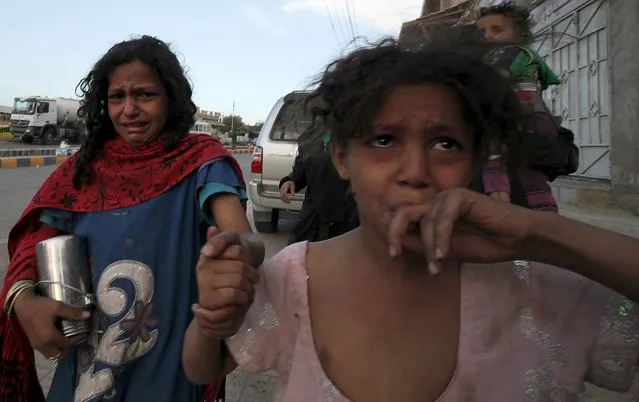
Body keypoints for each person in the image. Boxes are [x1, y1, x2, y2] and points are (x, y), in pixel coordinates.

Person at [182, 36, 639, 401]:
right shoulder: (295, 277)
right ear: (341, 158)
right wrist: (211, 316)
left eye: (445, 144)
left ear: (476, 158)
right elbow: (203, 367)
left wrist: (536, 235)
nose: (417, 173)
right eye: (384, 140)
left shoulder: (538, 287)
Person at [0, 36, 264, 402]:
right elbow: (33, 244)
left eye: (144, 95)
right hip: (84, 366)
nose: (129, 110)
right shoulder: (84, 169)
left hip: (170, 366)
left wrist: (238, 252)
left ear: (171, 99)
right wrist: (25, 302)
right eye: (117, 97)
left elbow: (243, 236)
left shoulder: (202, 162)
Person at [473, 2, 578, 212]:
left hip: (524, 117)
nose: (487, 36)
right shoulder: (527, 55)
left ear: (520, 34)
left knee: (495, 150)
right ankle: (542, 205)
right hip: (540, 119)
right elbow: (548, 79)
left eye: (496, 30)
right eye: (482, 31)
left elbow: (494, 81)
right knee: (529, 173)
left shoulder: (508, 53)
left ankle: (498, 196)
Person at [279, 124, 358, 244]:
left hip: (349, 219)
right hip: (313, 220)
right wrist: (290, 181)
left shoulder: (358, 133)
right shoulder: (310, 136)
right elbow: (301, 170)